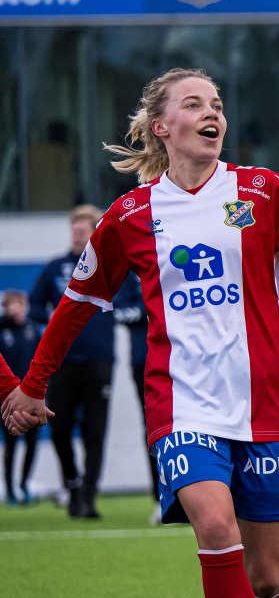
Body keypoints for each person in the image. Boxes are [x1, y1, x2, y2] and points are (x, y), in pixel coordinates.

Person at [2, 68, 279, 598]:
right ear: (160, 127)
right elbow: (73, 307)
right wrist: (33, 383)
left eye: (216, 104)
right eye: (193, 105)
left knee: (265, 578)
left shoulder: (264, 191)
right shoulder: (129, 216)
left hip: (264, 403)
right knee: (216, 530)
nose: (211, 112)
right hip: (181, 405)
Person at [29, 203, 124, 519]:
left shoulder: (112, 267)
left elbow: (128, 303)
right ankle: (72, 483)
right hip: (63, 362)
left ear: (95, 231)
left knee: (95, 432)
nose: (78, 234)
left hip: (99, 360)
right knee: (59, 428)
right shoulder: (56, 267)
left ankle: (87, 497)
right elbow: (33, 307)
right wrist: (53, 317)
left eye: (84, 229)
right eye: (75, 228)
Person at [112, 263, 160, 520]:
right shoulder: (131, 272)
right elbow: (118, 312)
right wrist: (151, 309)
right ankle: (161, 497)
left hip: (186, 358)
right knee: (153, 429)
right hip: (144, 362)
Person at [1, 289, 41, 505]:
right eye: (10, 306)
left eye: (18, 305)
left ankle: (25, 483)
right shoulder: (2, 330)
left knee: (32, 443)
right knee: (11, 444)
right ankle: (9, 490)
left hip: (32, 396)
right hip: (7, 399)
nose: (15, 310)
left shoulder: (32, 330)